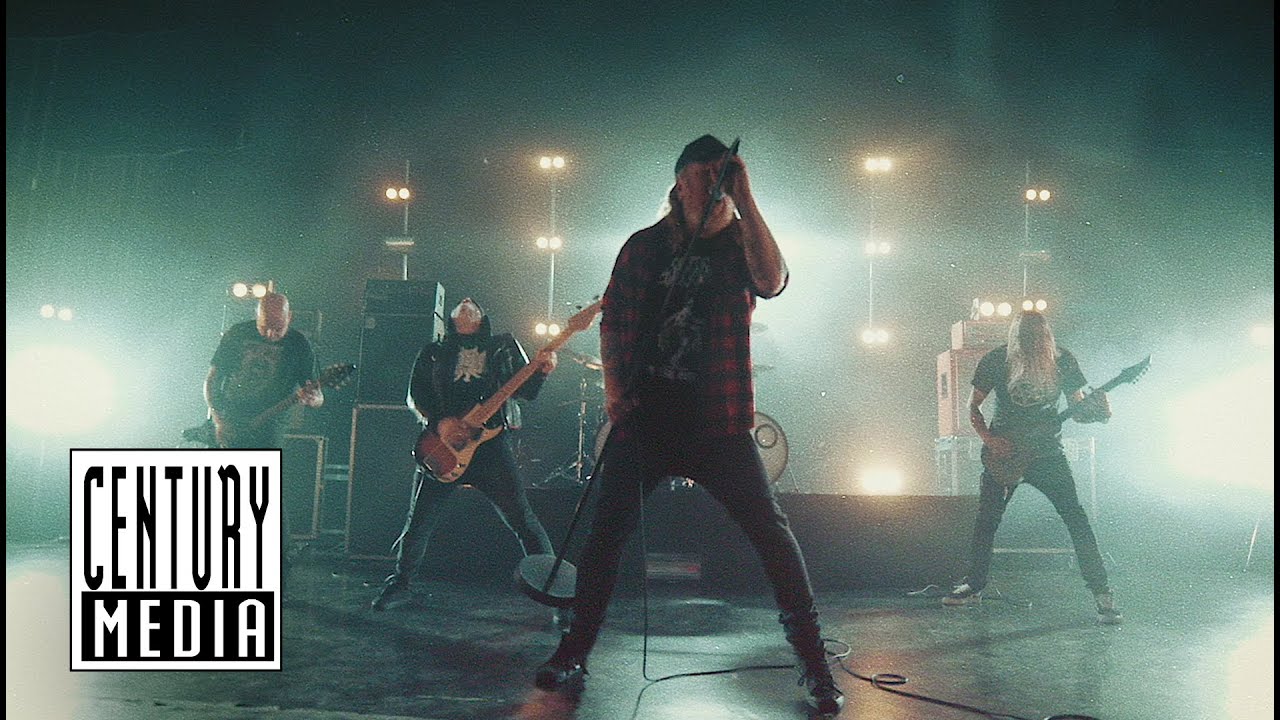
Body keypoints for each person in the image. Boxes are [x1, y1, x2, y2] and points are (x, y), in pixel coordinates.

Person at [533, 135, 843, 715]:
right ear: (680, 183)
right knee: (605, 537)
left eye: (725, 175)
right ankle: (574, 650)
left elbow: (773, 281)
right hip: (648, 417)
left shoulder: (741, 242)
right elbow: (612, 320)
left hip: (719, 420)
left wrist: (747, 197)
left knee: (773, 536)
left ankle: (814, 664)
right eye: (706, 175)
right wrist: (615, 392)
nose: (717, 185)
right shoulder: (644, 246)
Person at [371, 298, 564, 628]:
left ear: (481, 316)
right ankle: (400, 584)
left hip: (489, 447)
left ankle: (553, 592)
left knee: (522, 519)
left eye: (473, 304)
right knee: (419, 521)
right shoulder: (433, 352)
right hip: (445, 445)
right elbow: (415, 395)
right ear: (450, 318)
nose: (466, 302)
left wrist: (543, 372)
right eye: (461, 303)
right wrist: (439, 422)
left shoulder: (501, 346)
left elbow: (526, 391)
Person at [943, 309, 1122, 624]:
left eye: (1038, 336)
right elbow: (973, 406)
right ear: (1016, 336)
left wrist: (1101, 412)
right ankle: (974, 584)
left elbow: (1078, 411)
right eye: (1027, 336)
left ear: (1047, 335)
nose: (1033, 342)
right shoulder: (997, 360)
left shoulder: (1062, 361)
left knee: (1075, 519)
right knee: (986, 521)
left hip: (1047, 454)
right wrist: (989, 439)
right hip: (1005, 454)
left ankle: (1102, 593)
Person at [204, 291, 324, 576]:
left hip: (270, 425)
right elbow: (211, 381)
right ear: (256, 316)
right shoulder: (237, 334)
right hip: (230, 418)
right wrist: (218, 419)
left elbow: (318, 396)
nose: (271, 333)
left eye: (278, 327)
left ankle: (277, 564)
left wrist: (312, 398)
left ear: (289, 318)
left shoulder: (298, 344)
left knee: (265, 493)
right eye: (265, 326)